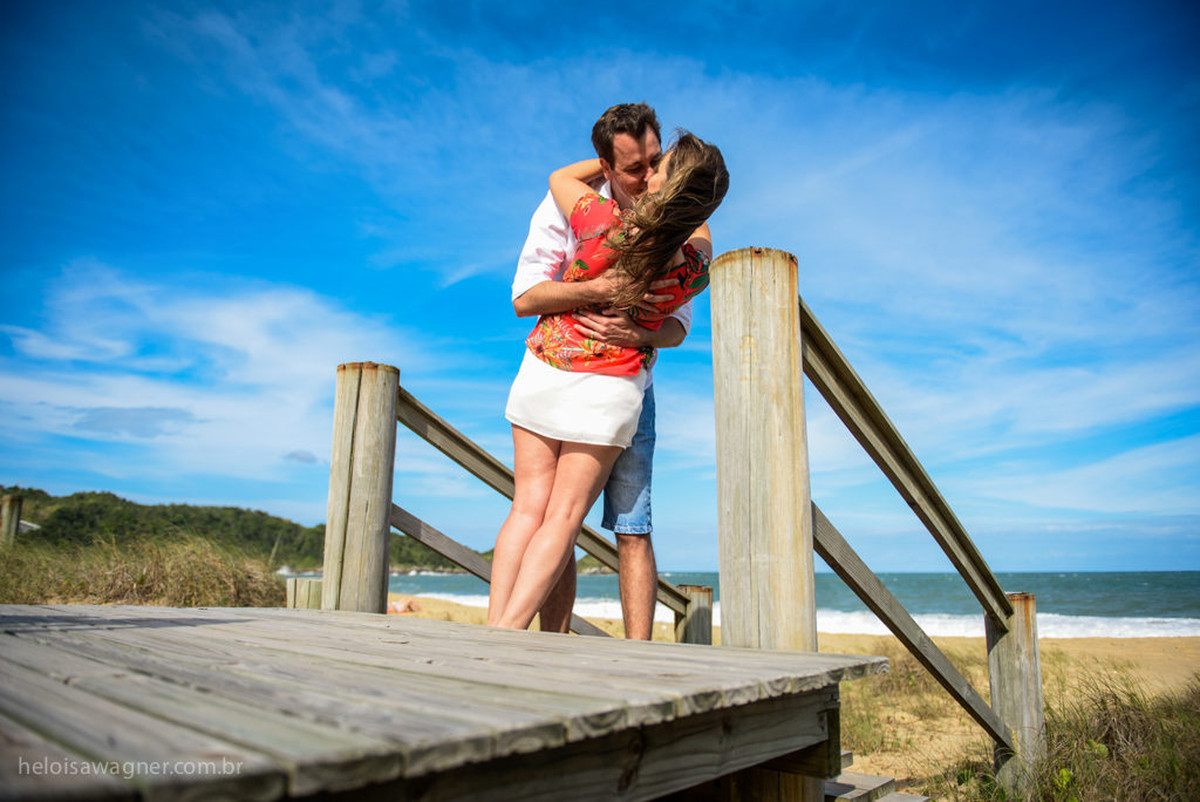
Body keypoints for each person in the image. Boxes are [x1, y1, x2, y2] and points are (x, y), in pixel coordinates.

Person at [488, 131, 729, 633]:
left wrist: (608, 166)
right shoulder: (693, 268)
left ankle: (496, 627)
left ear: (663, 180)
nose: (647, 171)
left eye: (656, 165)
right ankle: (510, 631)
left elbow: (560, 178)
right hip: (611, 388)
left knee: (528, 507)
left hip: (549, 365)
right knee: (564, 518)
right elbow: (700, 225)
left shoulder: (600, 223)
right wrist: (681, 199)